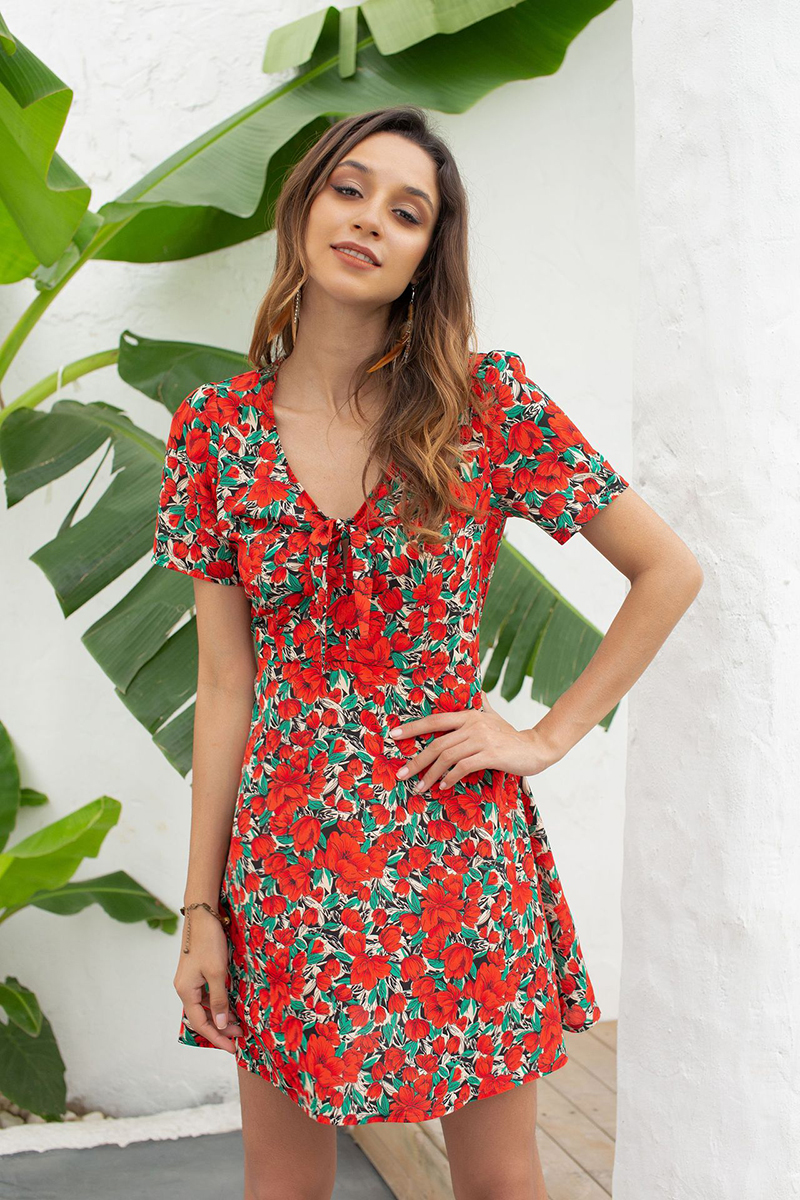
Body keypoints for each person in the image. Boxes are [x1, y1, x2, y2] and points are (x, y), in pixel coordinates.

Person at [151, 104, 702, 1200]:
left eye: (407, 213)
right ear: (303, 207)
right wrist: (201, 911)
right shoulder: (214, 429)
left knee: (497, 1179)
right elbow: (224, 686)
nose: (369, 220)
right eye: (349, 189)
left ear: (425, 257)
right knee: (283, 1183)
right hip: (289, 857)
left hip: (454, 841)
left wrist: (544, 735)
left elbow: (667, 570)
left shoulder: (484, 404)